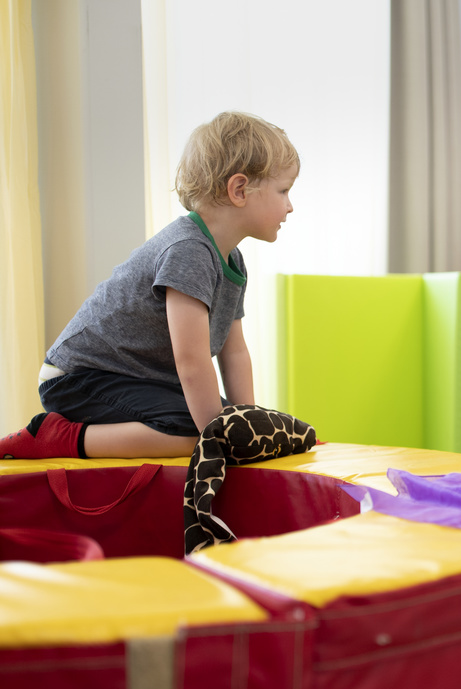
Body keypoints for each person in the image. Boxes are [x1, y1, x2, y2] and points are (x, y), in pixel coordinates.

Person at [1, 111, 298, 461]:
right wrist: (221, 441)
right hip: (81, 377)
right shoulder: (189, 250)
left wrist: (246, 424)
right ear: (239, 190)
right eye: (284, 190)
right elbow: (192, 362)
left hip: (140, 379)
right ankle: (56, 437)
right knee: (199, 431)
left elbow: (234, 352)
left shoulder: (232, 260)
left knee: (232, 422)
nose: (290, 206)